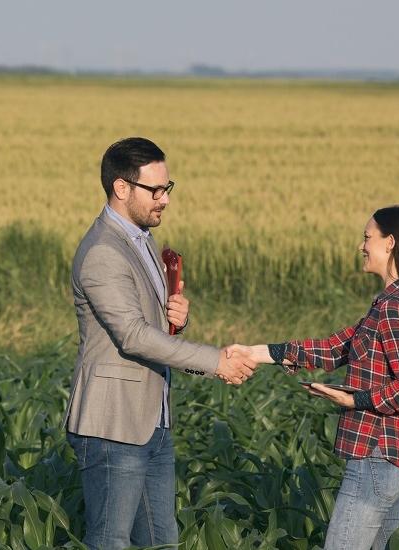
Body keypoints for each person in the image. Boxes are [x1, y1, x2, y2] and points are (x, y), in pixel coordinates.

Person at [63, 137, 258, 550]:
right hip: (114, 424)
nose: (164, 199)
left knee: (160, 539)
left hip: (153, 419)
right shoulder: (102, 252)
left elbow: (150, 328)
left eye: (168, 188)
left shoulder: (141, 239)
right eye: (155, 190)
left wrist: (176, 319)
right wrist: (214, 361)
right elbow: (133, 336)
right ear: (121, 188)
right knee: (109, 541)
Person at [227, 205, 399, 549]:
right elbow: (334, 349)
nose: (361, 246)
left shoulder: (393, 307)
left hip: (378, 456)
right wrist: (255, 352)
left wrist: (353, 399)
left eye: (367, 238)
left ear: (390, 243)